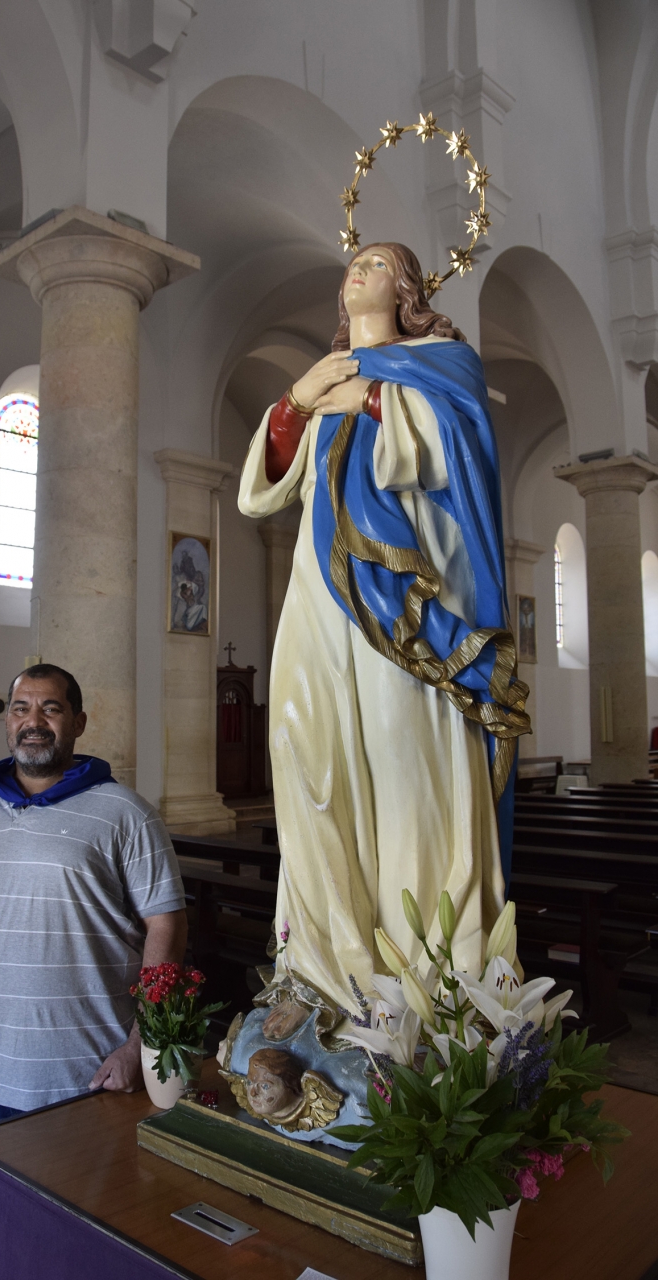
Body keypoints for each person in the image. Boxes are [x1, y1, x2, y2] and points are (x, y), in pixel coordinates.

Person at [238, 242, 529, 1014]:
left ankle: (423, 983)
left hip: (405, 599)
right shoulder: (319, 374)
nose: (356, 272)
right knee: (300, 749)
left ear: (406, 288)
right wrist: (295, 404)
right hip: (319, 592)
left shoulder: (444, 361)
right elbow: (263, 492)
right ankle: (323, 969)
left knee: (406, 768)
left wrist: (371, 397)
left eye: (374, 263)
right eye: (352, 264)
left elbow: (462, 452)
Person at [0, 663, 187, 1133]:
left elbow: (168, 926)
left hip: (85, 1077)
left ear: (78, 722)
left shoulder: (126, 813)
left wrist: (141, 1046)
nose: (33, 722)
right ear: (7, 720)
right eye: (21, 708)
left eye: (50, 709)